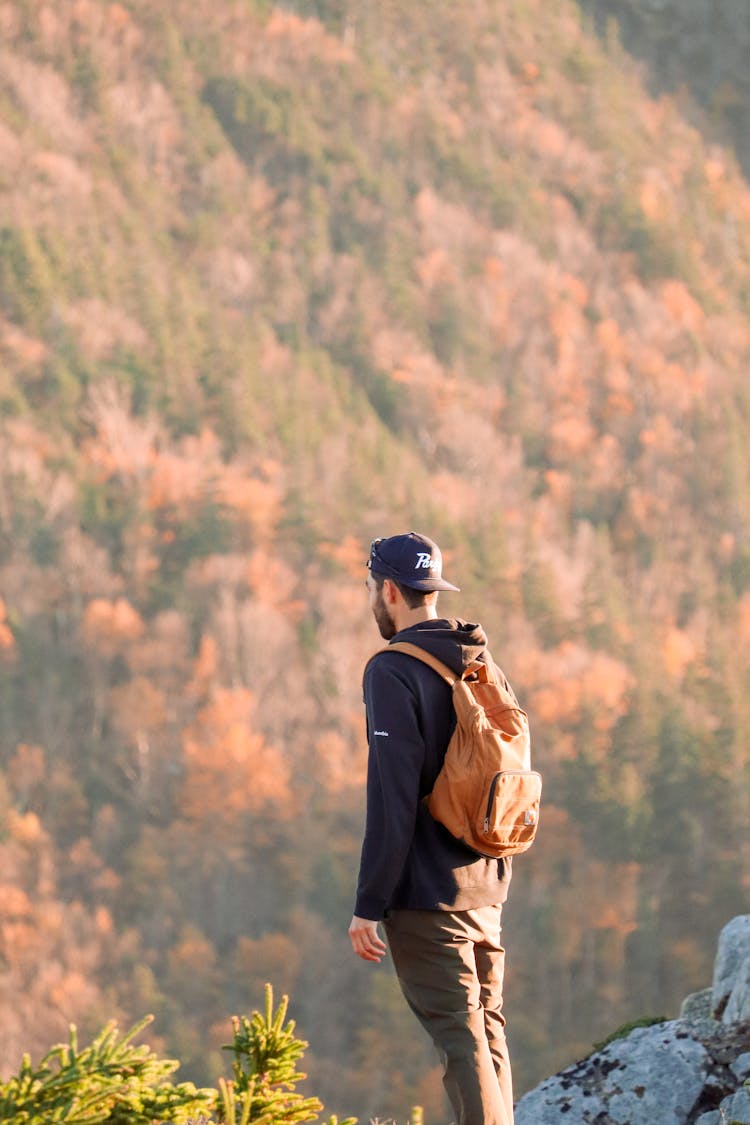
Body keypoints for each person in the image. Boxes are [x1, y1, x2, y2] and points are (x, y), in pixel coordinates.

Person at [348, 532, 515, 1125]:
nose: (371, 597)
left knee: (459, 1038)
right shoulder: (476, 656)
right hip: (486, 884)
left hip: (426, 894)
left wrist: (369, 903)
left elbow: (391, 798)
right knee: (487, 1028)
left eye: (370, 587)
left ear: (389, 590)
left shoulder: (393, 670)